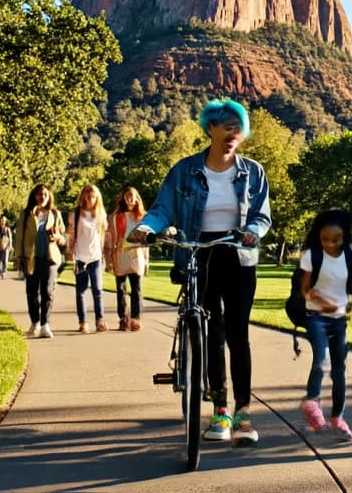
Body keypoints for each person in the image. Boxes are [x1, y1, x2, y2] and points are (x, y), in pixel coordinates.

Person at [128, 98, 271, 447]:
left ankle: (243, 413)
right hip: (198, 253)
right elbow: (163, 209)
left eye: (238, 128)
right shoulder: (184, 170)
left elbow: (262, 215)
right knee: (211, 332)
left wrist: (254, 229)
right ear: (210, 128)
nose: (233, 133)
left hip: (237, 254)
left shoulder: (252, 171)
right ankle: (220, 410)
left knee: (238, 334)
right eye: (226, 126)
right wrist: (146, 228)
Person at [298, 208, 352, 446]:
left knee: (339, 371)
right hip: (316, 316)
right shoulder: (312, 256)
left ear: (343, 238)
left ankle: (338, 418)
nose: (329, 244)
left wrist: (346, 306)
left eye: (335, 239)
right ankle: (312, 402)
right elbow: (305, 289)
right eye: (325, 239)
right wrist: (321, 303)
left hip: (338, 320)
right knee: (321, 358)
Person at [14, 184, 66, 339]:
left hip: (50, 258)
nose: (41, 197)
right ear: (34, 196)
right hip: (31, 258)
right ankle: (35, 322)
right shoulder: (26, 214)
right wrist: (18, 257)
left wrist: (58, 238)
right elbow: (19, 238)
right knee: (32, 292)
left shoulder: (55, 214)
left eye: (44, 194)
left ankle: (45, 324)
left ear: (49, 196)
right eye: (38, 194)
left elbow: (64, 238)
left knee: (48, 292)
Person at [106, 187, 149, 332]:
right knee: (121, 288)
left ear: (137, 198)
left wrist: (146, 259)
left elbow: (146, 240)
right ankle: (123, 318)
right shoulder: (116, 216)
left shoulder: (142, 217)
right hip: (120, 254)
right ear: (123, 198)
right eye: (127, 196)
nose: (130, 199)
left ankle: (135, 318)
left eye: (133, 196)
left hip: (136, 255)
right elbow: (110, 236)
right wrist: (109, 255)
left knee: (136, 288)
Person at [67, 184, 107, 333]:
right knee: (81, 291)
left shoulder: (101, 214)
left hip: (95, 256)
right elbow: (71, 237)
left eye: (93, 196)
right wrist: (72, 257)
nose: (90, 199)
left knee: (98, 290)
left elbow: (103, 236)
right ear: (83, 196)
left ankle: (100, 320)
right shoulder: (76, 214)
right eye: (88, 196)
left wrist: (104, 255)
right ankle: (83, 321)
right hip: (80, 257)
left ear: (97, 198)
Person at [0, 215, 13, 279]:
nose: (2, 221)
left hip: (6, 247)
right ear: (0, 221)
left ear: (5, 221)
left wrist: (10, 245)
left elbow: (10, 238)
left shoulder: (7, 229)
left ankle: (4, 272)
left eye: (4, 220)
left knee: (5, 261)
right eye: (2, 220)